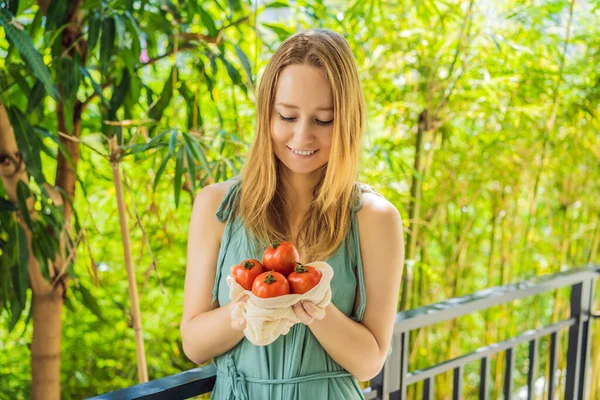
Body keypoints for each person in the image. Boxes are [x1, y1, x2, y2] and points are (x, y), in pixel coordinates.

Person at [180, 28, 404, 400]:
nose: (302, 137)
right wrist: (252, 307)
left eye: (324, 120)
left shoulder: (374, 217)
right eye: (286, 116)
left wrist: (310, 302)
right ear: (266, 114)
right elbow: (194, 344)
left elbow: (370, 362)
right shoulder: (216, 207)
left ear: (348, 121)